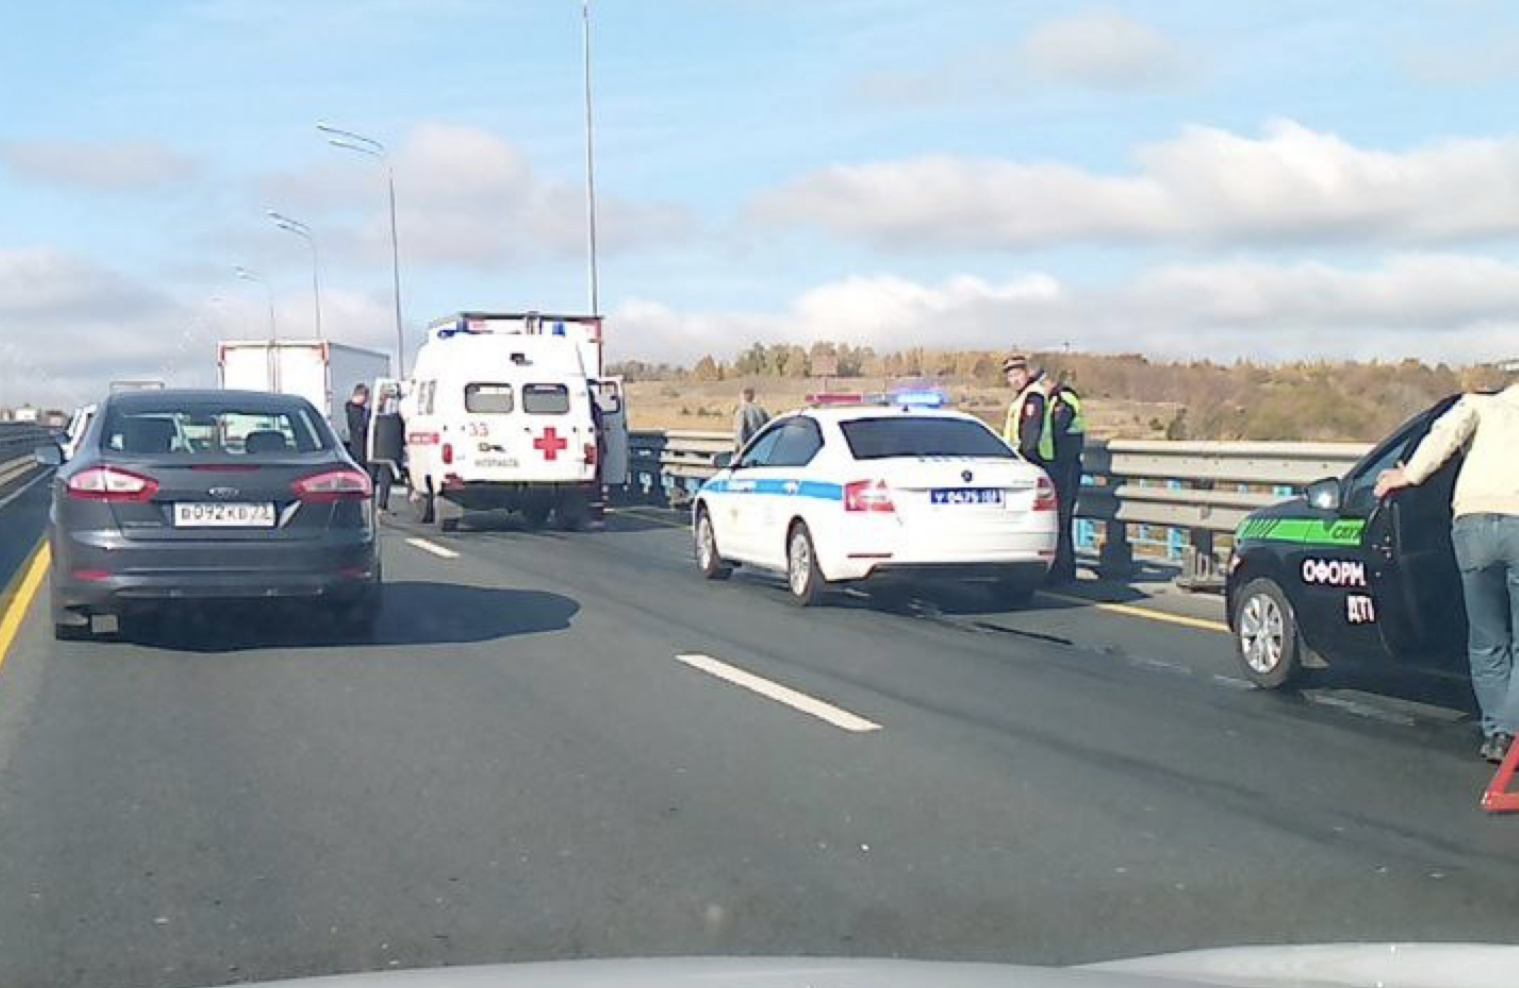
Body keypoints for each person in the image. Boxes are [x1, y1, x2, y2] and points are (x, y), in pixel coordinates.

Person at [1375, 381, 1519, 763]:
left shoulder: (1479, 406)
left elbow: (1444, 432)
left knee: (1487, 638)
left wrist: (1409, 476)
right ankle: (1510, 730)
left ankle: (1496, 736)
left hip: (1472, 523)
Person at [1003, 352, 1086, 585]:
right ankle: (1058, 569)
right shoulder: (1031, 398)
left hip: (1060, 464)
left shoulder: (1058, 399)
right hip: (1049, 463)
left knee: (1061, 518)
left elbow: (1044, 433)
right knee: (1057, 519)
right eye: (1010, 375)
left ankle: (1062, 571)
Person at [735, 386, 770, 451]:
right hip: (760, 444)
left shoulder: (742, 410)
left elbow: (740, 431)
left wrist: (742, 449)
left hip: (749, 447)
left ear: (743, 397)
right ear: (753, 396)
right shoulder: (761, 410)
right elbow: (769, 425)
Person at [344, 383, 370, 467]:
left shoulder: (357, 409)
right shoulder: (354, 411)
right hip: (359, 449)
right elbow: (360, 429)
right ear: (361, 395)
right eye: (366, 396)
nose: (367, 399)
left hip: (359, 448)